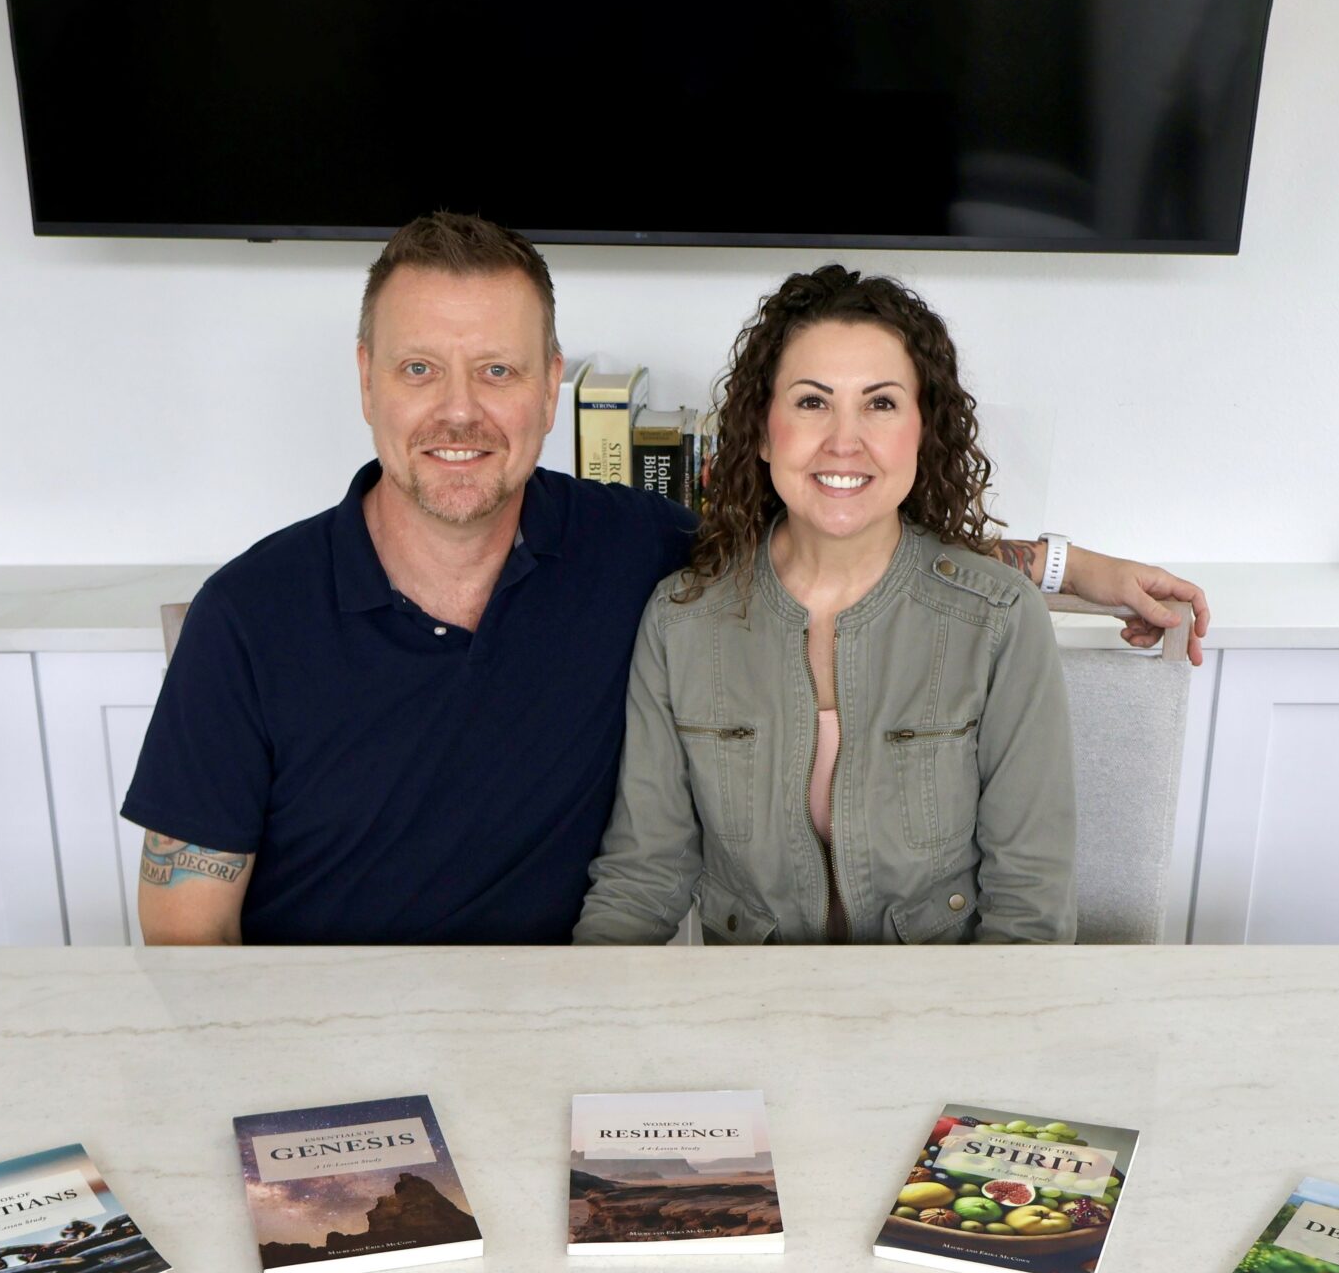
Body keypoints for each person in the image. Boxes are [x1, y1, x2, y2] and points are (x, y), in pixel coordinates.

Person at [123, 213, 1207, 945]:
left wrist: (1078, 571)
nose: (460, 411)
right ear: (367, 380)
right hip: (332, 1067)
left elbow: (840, 523)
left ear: (550, 389)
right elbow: (185, 956)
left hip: (557, 1035)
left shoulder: (632, 554)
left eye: (496, 370)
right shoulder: (249, 618)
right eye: (421, 370)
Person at [574, 266, 1068, 945]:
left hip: (942, 1021)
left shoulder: (1001, 622)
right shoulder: (679, 622)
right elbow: (642, 878)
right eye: (812, 402)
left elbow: (1029, 911)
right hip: (751, 1020)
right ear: (762, 429)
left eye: (881, 403)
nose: (844, 440)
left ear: (923, 431)